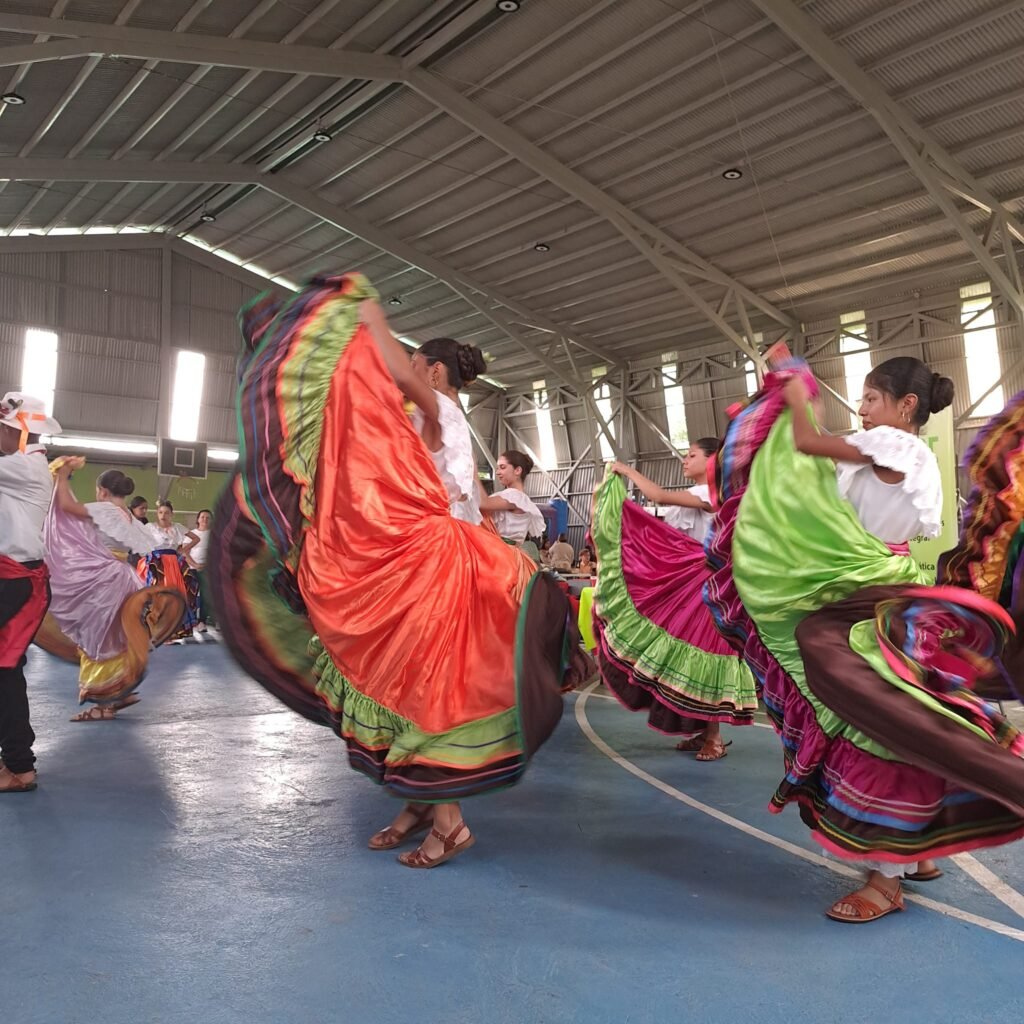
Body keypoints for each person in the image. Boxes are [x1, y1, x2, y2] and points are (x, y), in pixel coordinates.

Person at [208, 274, 589, 871]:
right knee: (396, 678)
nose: (399, 369)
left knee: (419, 684)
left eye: (414, 364)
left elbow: (425, 432)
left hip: (428, 561)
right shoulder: (404, 408)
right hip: (407, 548)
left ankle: (449, 823)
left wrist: (371, 324)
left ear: (434, 371)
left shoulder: (423, 393)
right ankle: (420, 802)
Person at [708, 353, 1024, 925]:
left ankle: (886, 880)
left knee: (873, 722)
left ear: (907, 406)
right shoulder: (897, 452)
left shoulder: (896, 445)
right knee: (896, 713)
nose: (862, 408)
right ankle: (917, 854)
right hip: (873, 587)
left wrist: (794, 384)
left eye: (872, 398)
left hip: (867, 595)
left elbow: (806, 443)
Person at [591, 440, 758, 762]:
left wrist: (626, 471)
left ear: (712, 461)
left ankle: (715, 737)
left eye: (692, 455)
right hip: (692, 577)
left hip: (710, 581)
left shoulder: (711, 494)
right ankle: (703, 732)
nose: (685, 459)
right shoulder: (697, 494)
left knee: (705, 654)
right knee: (689, 654)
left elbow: (658, 496)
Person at [43, 459, 185, 720]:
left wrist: (62, 475)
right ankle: (119, 692)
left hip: (104, 579)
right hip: (123, 576)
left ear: (103, 491)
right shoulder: (128, 516)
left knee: (97, 637)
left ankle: (104, 703)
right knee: (115, 636)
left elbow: (66, 506)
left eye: (97, 490)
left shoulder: (105, 510)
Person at [0, 393, 60, 792]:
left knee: (5, 672)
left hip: (17, 582)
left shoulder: (25, 466)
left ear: (18, 432)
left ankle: (20, 767)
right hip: (12, 578)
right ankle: (18, 764)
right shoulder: (19, 465)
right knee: (5, 672)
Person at [407, 338, 486, 525]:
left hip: (415, 525)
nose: (410, 371)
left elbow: (402, 378)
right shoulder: (457, 423)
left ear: (436, 370)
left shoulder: (441, 408)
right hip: (437, 526)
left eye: (414, 364)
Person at [138, 501, 197, 639]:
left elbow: (195, 538)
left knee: (174, 595)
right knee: (157, 595)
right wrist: (147, 553)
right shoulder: (150, 527)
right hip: (157, 563)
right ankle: (155, 629)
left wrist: (182, 550)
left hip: (172, 564)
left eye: (166, 512)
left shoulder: (178, 527)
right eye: (160, 512)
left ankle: (172, 630)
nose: (163, 515)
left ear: (172, 514)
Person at [478, 450, 545, 545]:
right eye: (497, 468)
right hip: (500, 548)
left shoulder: (516, 497)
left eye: (502, 467)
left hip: (502, 550)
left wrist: (473, 472)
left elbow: (483, 503)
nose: (497, 472)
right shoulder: (510, 497)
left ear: (517, 470)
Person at [183, 509, 212, 630]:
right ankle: (190, 619)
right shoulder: (191, 534)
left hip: (208, 569)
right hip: (191, 568)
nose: (205, 519)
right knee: (190, 594)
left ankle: (202, 621)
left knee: (206, 594)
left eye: (208, 517)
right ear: (198, 519)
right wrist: (195, 564)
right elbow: (185, 553)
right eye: (202, 517)